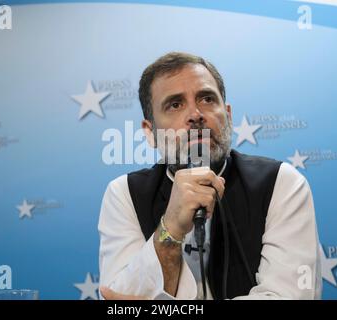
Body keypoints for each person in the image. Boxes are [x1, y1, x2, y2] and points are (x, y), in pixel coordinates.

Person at [98, 52, 322, 300]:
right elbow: (119, 298)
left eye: (206, 99)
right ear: (150, 132)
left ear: (228, 115)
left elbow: (288, 296)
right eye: (175, 104)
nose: (195, 114)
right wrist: (169, 229)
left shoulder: (281, 182)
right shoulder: (124, 194)